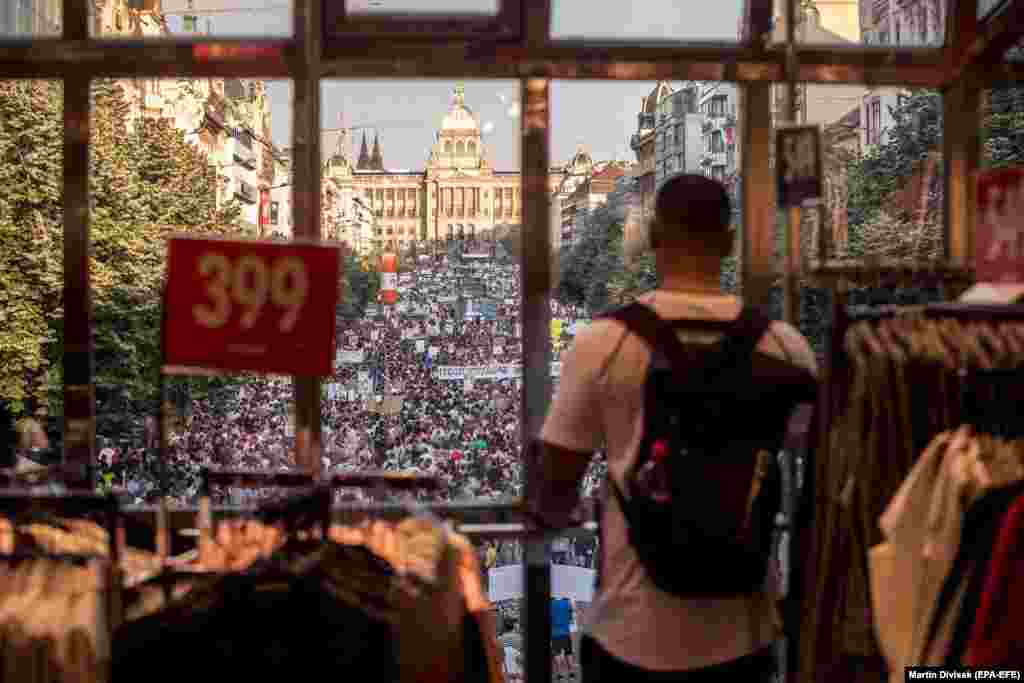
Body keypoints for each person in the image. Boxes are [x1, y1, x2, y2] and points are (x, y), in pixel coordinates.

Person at [529, 173, 819, 682]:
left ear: (654, 237)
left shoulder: (605, 343)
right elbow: (815, 472)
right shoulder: (786, 347)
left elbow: (554, 484)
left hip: (630, 633)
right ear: (729, 242)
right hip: (744, 635)